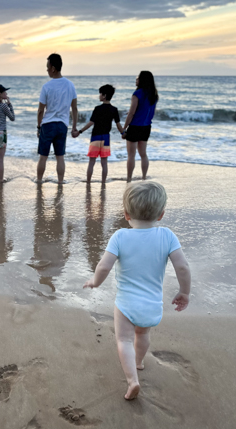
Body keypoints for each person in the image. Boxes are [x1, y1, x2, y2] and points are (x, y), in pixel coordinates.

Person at [83, 181, 191, 400]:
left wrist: (95, 281)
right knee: (142, 334)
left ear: (126, 214)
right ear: (161, 215)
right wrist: (184, 292)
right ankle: (139, 361)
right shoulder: (167, 236)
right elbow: (182, 267)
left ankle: (132, 380)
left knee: (123, 340)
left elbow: (104, 266)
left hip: (126, 304)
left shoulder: (120, 237)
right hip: (152, 305)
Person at [36, 54, 78, 184]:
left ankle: (39, 181)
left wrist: (39, 127)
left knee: (43, 157)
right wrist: (74, 127)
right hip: (62, 125)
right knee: (60, 157)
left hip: (48, 125)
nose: (47, 70)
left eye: (48, 67)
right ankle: (60, 182)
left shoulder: (47, 86)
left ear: (53, 68)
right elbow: (74, 108)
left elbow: (41, 110)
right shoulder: (70, 85)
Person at [76, 84, 124, 184]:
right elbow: (118, 125)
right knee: (104, 162)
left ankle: (88, 182)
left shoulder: (97, 109)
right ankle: (103, 183)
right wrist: (123, 133)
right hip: (106, 137)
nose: (99, 96)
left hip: (96, 137)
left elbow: (91, 123)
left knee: (92, 162)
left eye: (100, 94)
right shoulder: (114, 109)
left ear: (104, 95)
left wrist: (80, 132)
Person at [121, 71, 159, 182]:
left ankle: (129, 178)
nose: (136, 80)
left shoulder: (137, 94)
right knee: (143, 154)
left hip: (135, 126)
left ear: (142, 80)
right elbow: (150, 111)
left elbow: (131, 113)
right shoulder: (154, 94)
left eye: (137, 78)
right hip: (146, 126)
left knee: (131, 155)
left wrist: (124, 128)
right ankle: (144, 177)